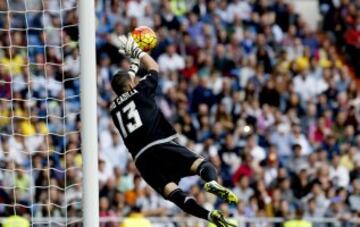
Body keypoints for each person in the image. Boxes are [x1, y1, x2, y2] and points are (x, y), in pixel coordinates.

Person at [109, 34, 239, 227]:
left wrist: (133, 65)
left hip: (142, 160)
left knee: (175, 195)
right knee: (203, 165)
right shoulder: (140, 91)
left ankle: (209, 216)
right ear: (130, 84)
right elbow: (154, 66)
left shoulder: (113, 109)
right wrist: (136, 52)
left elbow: (126, 86)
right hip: (160, 143)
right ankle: (210, 182)